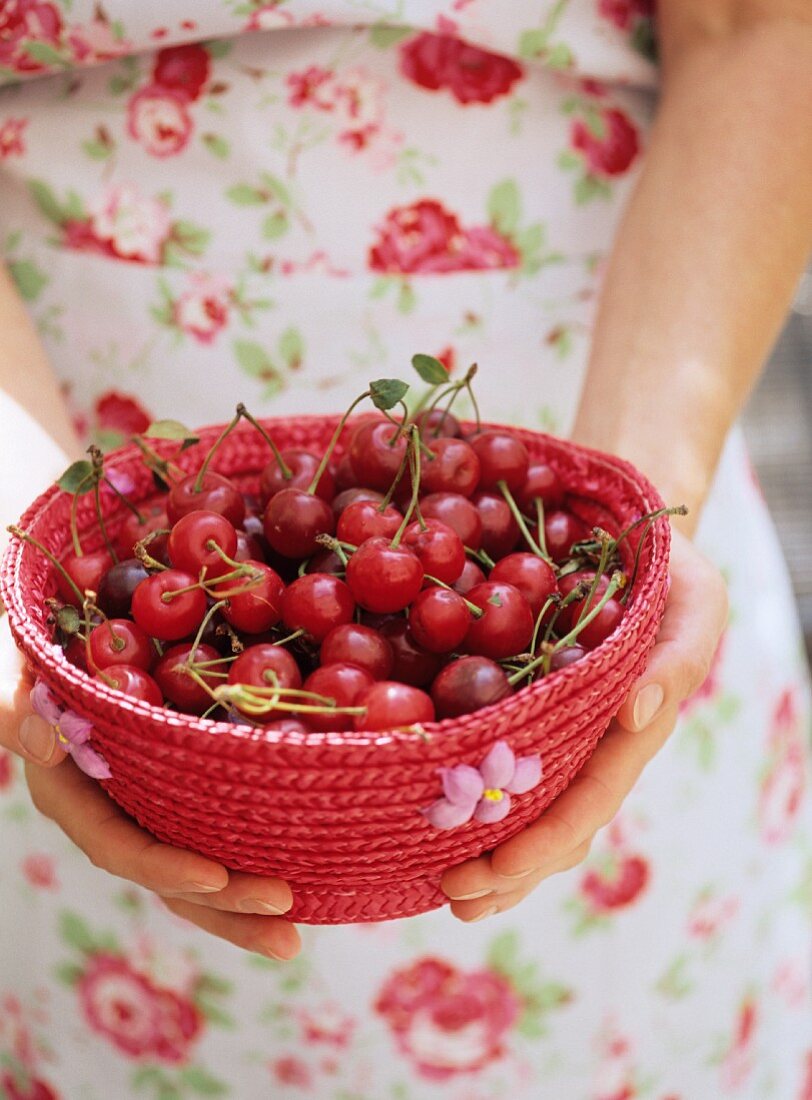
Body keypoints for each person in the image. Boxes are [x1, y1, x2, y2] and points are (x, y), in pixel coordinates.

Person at [0, 0, 810, 1095]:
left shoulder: (561, 578)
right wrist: (24, 555)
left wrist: (643, 523)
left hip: (606, 452)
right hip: (63, 527)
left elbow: (754, 27)